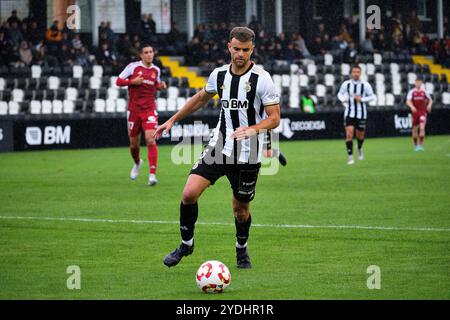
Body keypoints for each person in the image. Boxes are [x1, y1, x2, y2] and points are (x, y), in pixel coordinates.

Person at [155, 27, 281, 269]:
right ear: (229, 47)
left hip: (249, 151)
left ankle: (241, 249)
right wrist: (172, 119)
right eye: (236, 49)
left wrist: (253, 129)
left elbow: (274, 118)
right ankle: (186, 244)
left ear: (252, 49)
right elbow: (201, 98)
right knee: (189, 194)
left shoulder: (262, 78)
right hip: (219, 146)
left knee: (240, 210)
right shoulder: (219, 75)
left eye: (245, 50)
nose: (240, 54)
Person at [116, 44, 167, 185]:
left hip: (150, 109)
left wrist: (161, 86)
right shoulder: (133, 67)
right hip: (133, 111)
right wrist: (132, 81)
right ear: (141, 55)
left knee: (150, 139)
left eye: (151, 52)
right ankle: (138, 162)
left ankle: (152, 175)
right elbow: (118, 81)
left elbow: (155, 85)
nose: (149, 54)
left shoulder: (156, 70)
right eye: (146, 52)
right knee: (134, 145)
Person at [337, 65, 375, 165]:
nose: (356, 74)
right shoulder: (346, 84)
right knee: (349, 134)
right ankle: (350, 157)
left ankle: (359, 148)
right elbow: (340, 94)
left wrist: (362, 99)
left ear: (360, 73)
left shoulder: (365, 85)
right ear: (351, 73)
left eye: (358, 72)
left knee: (360, 135)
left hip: (361, 114)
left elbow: (372, 96)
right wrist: (342, 99)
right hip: (349, 113)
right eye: (354, 72)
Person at [406, 78, 433, 151]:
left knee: (422, 128)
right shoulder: (412, 92)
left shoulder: (424, 92)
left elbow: (430, 100)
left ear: (421, 83)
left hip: (422, 112)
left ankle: (421, 145)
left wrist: (429, 105)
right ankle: (416, 145)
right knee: (414, 130)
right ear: (415, 83)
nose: (418, 84)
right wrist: (412, 107)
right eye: (417, 82)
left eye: (419, 82)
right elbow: (408, 101)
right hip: (415, 113)